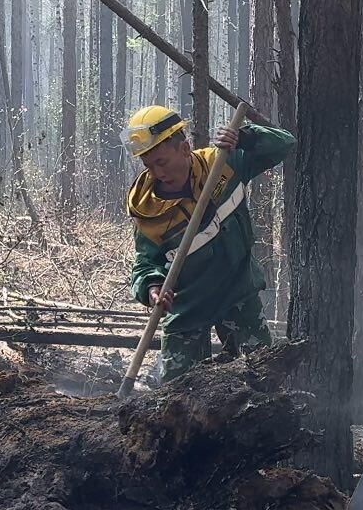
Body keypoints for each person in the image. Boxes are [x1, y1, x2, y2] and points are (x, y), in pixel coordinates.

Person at [124, 105, 294, 382]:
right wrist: (152, 288)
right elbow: (145, 264)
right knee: (176, 393)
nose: (157, 173)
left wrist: (245, 138)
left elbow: (285, 143)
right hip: (187, 305)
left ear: (184, 148)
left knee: (265, 377)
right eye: (148, 165)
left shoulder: (222, 165)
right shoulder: (148, 210)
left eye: (162, 162)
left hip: (237, 292)